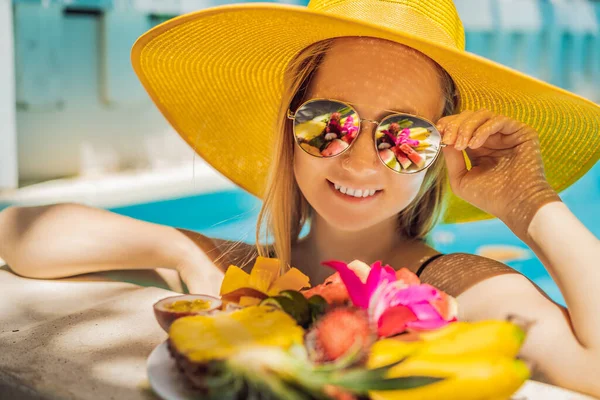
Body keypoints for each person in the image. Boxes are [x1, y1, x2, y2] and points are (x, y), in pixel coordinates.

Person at [1, 0, 600, 396]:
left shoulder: (451, 286)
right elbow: (23, 235)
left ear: (436, 155)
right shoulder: (242, 268)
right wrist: (184, 252)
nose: (362, 159)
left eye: (405, 135)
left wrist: (532, 205)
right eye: (328, 123)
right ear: (288, 130)